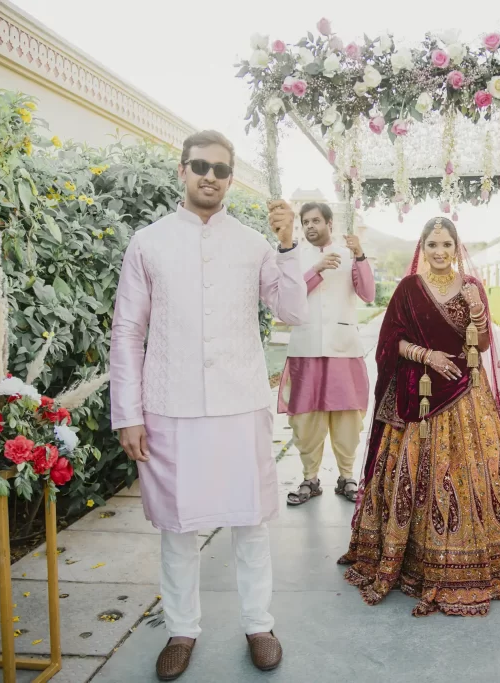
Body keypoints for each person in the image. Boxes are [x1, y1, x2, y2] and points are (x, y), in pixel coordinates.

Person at [110, 130, 307, 680]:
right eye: (200, 165)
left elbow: (292, 312)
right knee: (177, 527)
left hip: (239, 403)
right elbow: (128, 330)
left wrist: (289, 245)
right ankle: (181, 628)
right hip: (169, 405)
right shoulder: (148, 242)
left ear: (230, 176)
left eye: (220, 169)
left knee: (250, 522)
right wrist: (127, 412)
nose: (210, 176)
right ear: (182, 170)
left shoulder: (254, 244)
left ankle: (259, 623)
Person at [338, 217, 500, 617]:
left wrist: (479, 312)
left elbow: (481, 346)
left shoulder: (471, 287)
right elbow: (390, 342)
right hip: (421, 394)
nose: (440, 251)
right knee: (417, 470)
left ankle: (478, 553)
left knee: (477, 471)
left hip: (466, 392)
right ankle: (410, 555)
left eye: (447, 244)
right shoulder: (409, 289)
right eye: (433, 244)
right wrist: (425, 355)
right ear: (423, 246)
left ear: (456, 246)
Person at [280, 202, 375, 506]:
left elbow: (368, 294)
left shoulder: (349, 254)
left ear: (329, 223)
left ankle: (347, 477)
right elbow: (289, 299)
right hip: (305, 348)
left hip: (343, 348)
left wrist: (359, 255)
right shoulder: (295, 257)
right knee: (305, 417)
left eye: (316, 220)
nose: (310, 226)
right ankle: (310, 479)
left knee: (347, 414)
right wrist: (316, 269)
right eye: (305, 221)